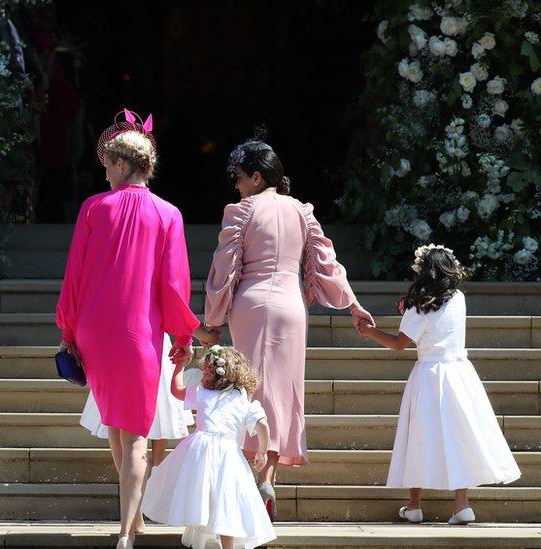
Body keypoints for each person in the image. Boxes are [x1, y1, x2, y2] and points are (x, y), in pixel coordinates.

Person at [55, 109, 208, 549]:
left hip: (96, 332)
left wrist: (68, 331)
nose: (104, 173)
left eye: (106, 165)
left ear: (123, 164)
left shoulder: (92, 208)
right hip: (141, 333)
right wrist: (182, 338)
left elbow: (75, 276)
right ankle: (127, 530)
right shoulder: (168, 213)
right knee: (135, 430)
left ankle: (133, 520)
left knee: (116, 424)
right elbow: (174, 283)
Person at [204, 138, 374, 519]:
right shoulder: (302, 211)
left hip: (252, 303)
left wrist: (212, 320)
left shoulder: (242, 211)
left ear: (257, 176)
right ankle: (269, 478)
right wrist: (353, 304)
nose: (236, 184)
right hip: (292, 306)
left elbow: (224, 267)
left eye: (240, 177)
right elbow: (327, 262)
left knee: (249, 388)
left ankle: (252, 477)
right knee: (283, 392)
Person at [357, 244, 520, 525]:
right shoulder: (458, 298)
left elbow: (399, 344)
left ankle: (414, 505)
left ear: (423, 272)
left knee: (418, 436)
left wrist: (370, 332)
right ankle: (461, 504)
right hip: (459, 373)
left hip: (429, 375)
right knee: (458, 435)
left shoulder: (418, 305)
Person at [142, 345, 276, 549]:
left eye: (205, 372)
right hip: (228, 454)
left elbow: (176, 390)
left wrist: (179, 366)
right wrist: (262, 451)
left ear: (215, 376)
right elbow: (262, 424)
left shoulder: (201, 392)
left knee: (203, 498)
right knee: (225, 502)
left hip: (199, 451)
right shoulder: (241, 397)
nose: (203, 376)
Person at [78, 334, 195, 532]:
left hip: (113, 340)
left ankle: (136, 502)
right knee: (156, 409)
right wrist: (190, 337)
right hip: (150, 340)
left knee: (117, 418)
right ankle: (144, 490)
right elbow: (174, 307)